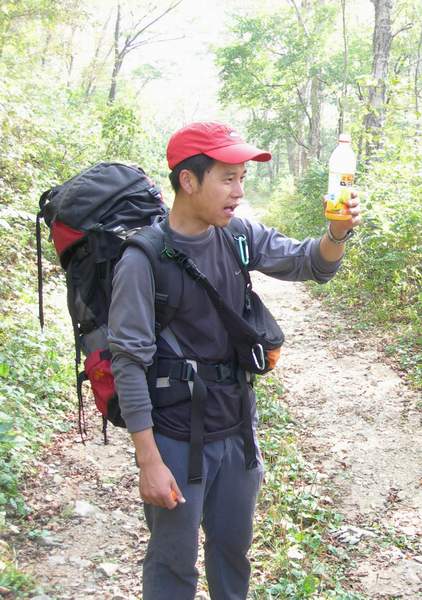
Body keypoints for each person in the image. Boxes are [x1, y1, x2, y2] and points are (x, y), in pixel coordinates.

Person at [108, 121, 361, 600]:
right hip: (176, 436)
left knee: (232, 552)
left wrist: (337, 232)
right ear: (188, 180)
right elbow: (128, 362)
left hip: (237, 426)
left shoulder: (237, 234)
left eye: (242, 178)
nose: (239, 192)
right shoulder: (143, 260)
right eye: (228, 178)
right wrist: (148, 461)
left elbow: (311, 262)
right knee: (172, 563)